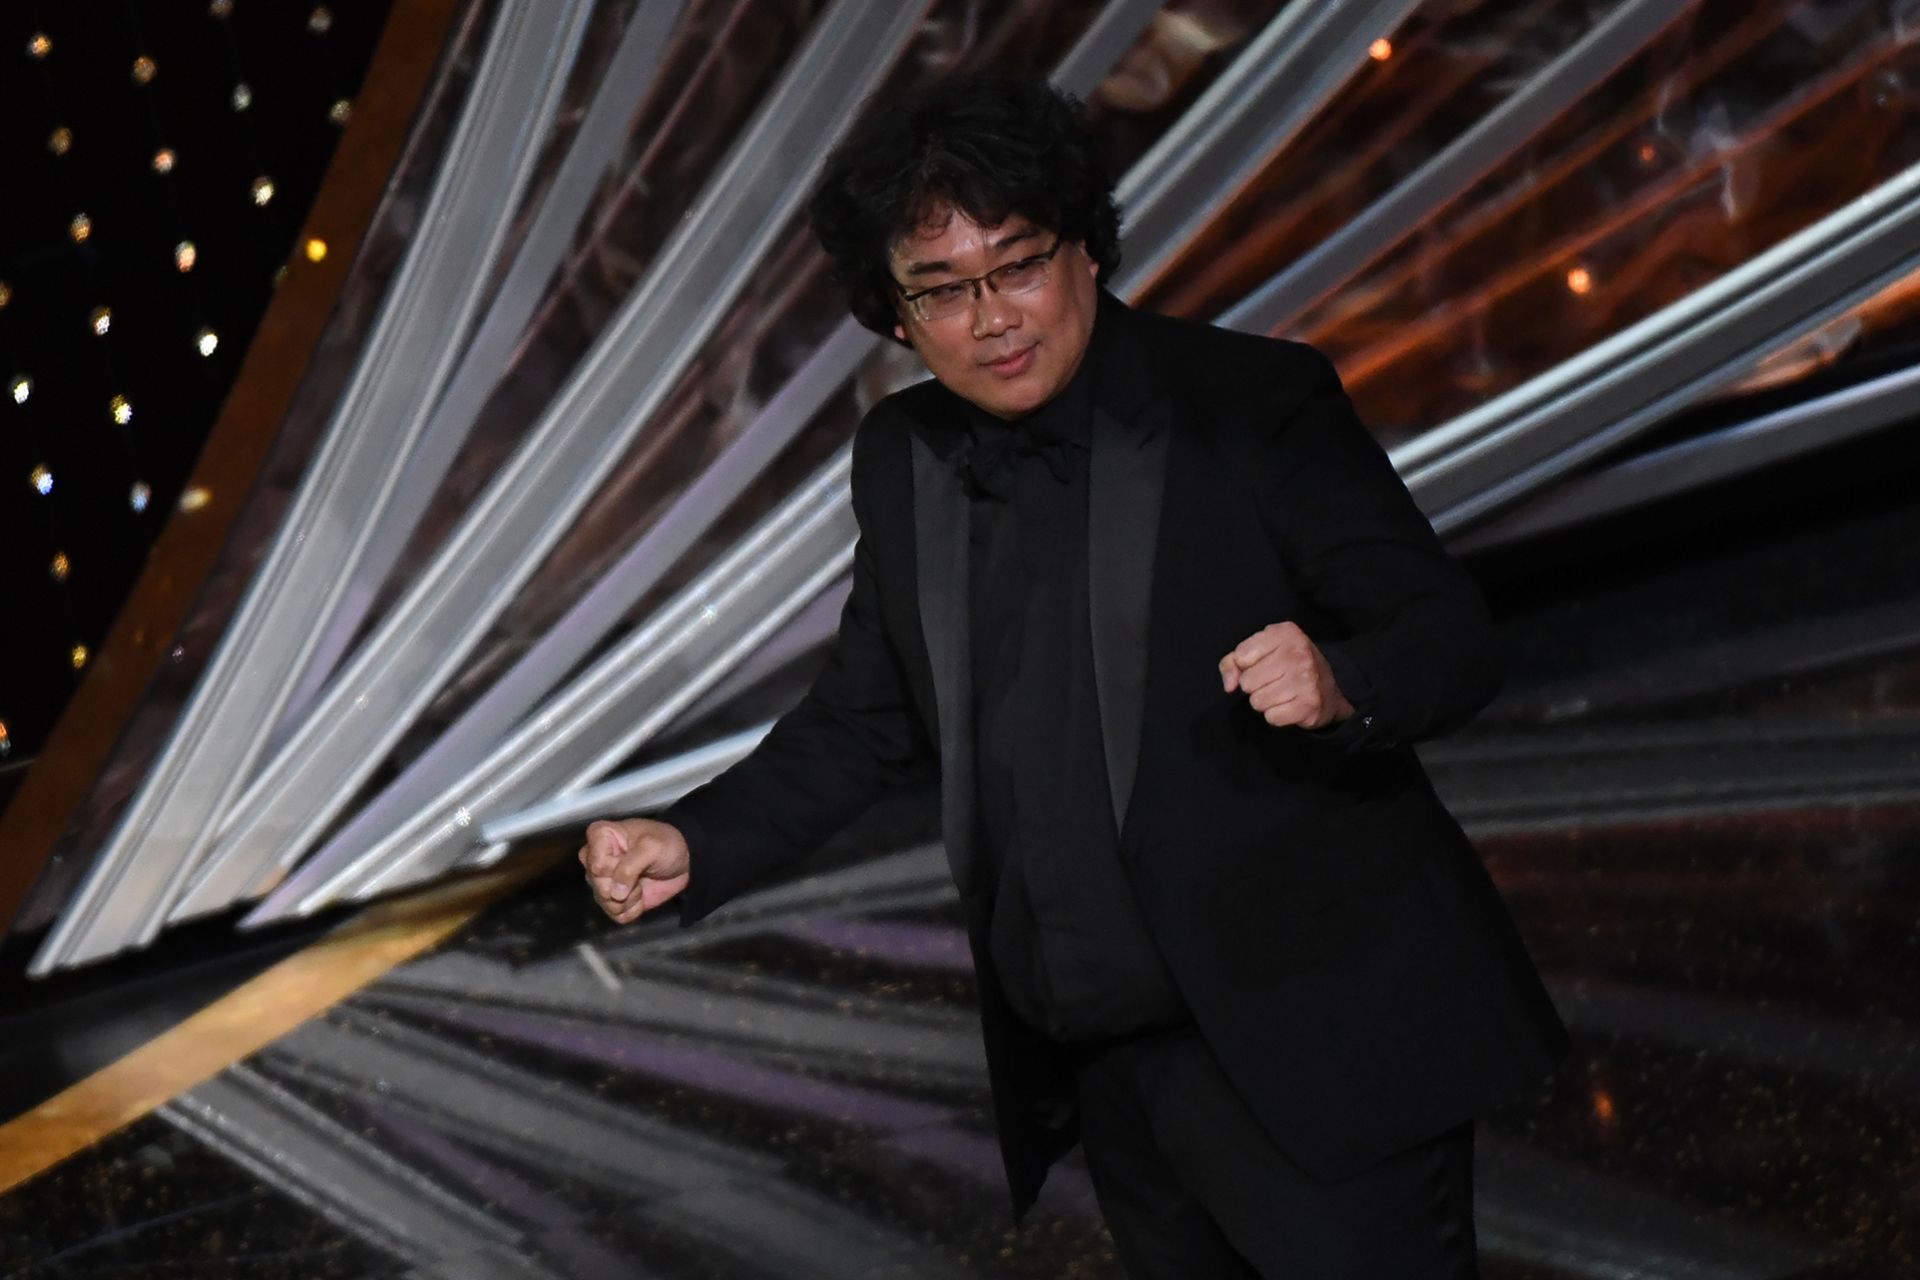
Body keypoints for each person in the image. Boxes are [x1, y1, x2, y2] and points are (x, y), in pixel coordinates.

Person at [580, 73, 1567, 1278]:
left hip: (1315, 1041)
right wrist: (698, 841)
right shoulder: (905, 457)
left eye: (1015, 266)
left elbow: (1449, 633)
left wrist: (1341, 676)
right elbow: (866, 713)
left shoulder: (1249, 405)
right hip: (1108, 1067)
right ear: (894, 317)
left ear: (1086, 251)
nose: (990, 316)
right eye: (939, 290)